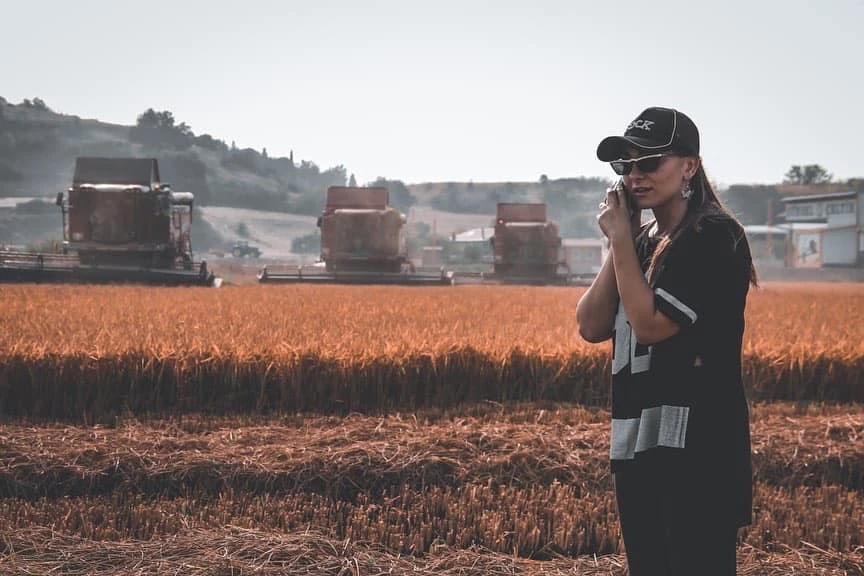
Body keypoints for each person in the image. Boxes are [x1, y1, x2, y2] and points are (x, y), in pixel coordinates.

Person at [575, 107, 757, 575]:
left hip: (698, 452)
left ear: (689, 166)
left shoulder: (713, 235)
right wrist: (625, 240)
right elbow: (591, 325)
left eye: (650, 162)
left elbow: (651, 326)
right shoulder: (642, 241)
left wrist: (621, 243)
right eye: (626, 166)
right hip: (640, 443)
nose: (636, 176)